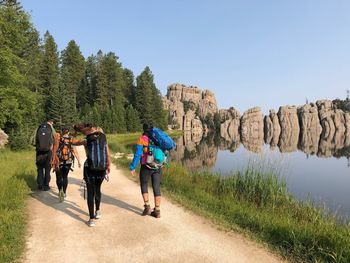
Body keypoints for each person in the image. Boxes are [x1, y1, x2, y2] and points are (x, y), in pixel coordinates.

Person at [72, 123, 111, 227]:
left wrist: (75, 133)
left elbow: (73, 142)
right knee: (98, 189)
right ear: (95, 128)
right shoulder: (103, 137)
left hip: (89, 168)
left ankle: (92, 219)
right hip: (101, 169)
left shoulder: (86, 140)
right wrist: (108, 166)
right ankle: (98, 211)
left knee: (90, 192)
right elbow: (107, 153)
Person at [130, 123, 162, 218]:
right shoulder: (157, 138)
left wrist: (132, 167)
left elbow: (137, 154)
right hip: (158, 166)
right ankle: (157, 211)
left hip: (146, 166)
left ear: (143, 129)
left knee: (144, 185)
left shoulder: (142, 139)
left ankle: (147, 207)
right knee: (156, 187)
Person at [51, 127, 81, 202]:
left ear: (62, 131)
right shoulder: (71, 139)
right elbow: (75, 151)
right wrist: (79, 161)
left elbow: (53, 149)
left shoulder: (58, 138)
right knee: (65, 176)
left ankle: (60, 190)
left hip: (59, 161)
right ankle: (64, 192)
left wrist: (52, 160)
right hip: (68, 161)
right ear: (68, 132)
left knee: (58, 176)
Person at [34, 120, 56, 191]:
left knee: (40, 169)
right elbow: (55, 139)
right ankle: (46, 186)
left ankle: (40, 185)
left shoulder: (39, 128)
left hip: (39, 152)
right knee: (47, 169)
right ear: (51, 122)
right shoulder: (51, 128)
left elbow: (33, 139)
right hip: (48, 152)